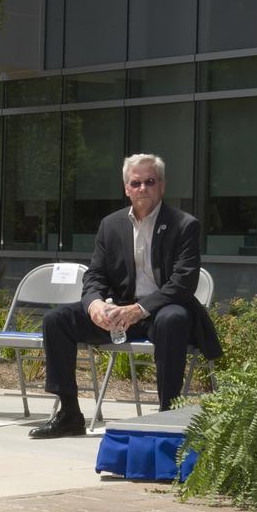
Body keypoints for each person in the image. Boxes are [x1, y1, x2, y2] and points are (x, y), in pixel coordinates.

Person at [30, 153, 221, 439]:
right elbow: (95, 275)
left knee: (173, 319)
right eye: (136, 183)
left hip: (162, 310)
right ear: (126, 188)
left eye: (150, 182)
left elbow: (183, 283)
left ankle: (167, 414)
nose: (143, 188)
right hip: (119, 313)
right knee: (57, 320)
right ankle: (69, 414)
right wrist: (94, 304)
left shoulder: (184, 224)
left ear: (162, 186)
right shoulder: (111, 225)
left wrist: (140, 309)